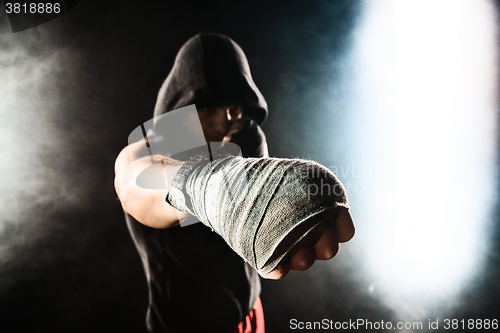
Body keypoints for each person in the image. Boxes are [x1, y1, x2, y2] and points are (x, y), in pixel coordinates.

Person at [114, 33, 355, 333]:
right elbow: (132, 183)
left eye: (240, 107)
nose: (235, 117)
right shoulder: (150, 149)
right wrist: (210, 187)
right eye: (222, 105)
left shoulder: (242, 136)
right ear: (187, 106)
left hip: (252, 316)